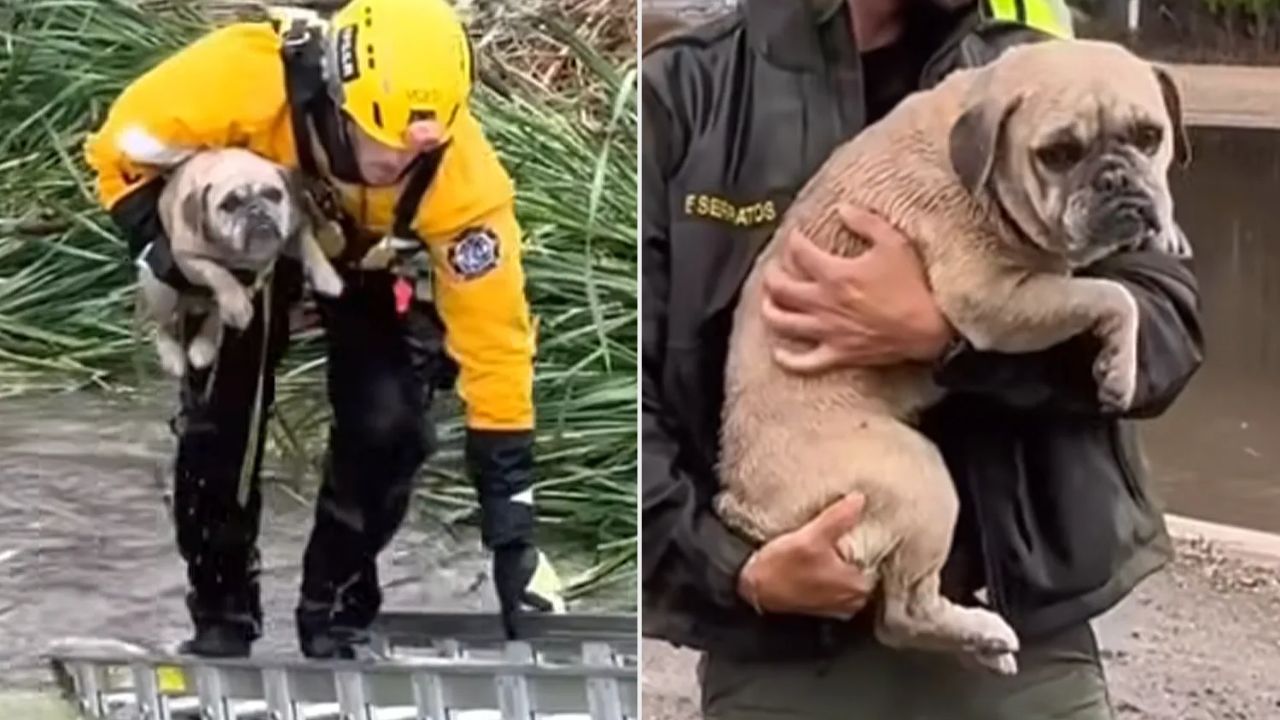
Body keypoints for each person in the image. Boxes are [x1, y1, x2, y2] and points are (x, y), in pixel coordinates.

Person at [640, 0, 1204, 717]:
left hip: (1023, 642)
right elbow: (623, 401)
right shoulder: (686, 93)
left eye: (1150, 140)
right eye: (1059, 154)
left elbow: (1169, 337)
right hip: (783, 653)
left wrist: (944, 339)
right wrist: (734, 573)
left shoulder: (1058, 76)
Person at [84, 0, 562, 660]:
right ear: (335, 96)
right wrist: (155, 241)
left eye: (415, 148)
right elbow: (119, 150)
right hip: (248, 232)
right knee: (225, 420)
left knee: (392, 425)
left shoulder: (467, 188)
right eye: (380, 140)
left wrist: (514, 538)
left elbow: (498, 349)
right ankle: (221, 605)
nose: (396, 161)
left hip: (371, 259)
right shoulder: (242, 76)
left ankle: (334, 603)